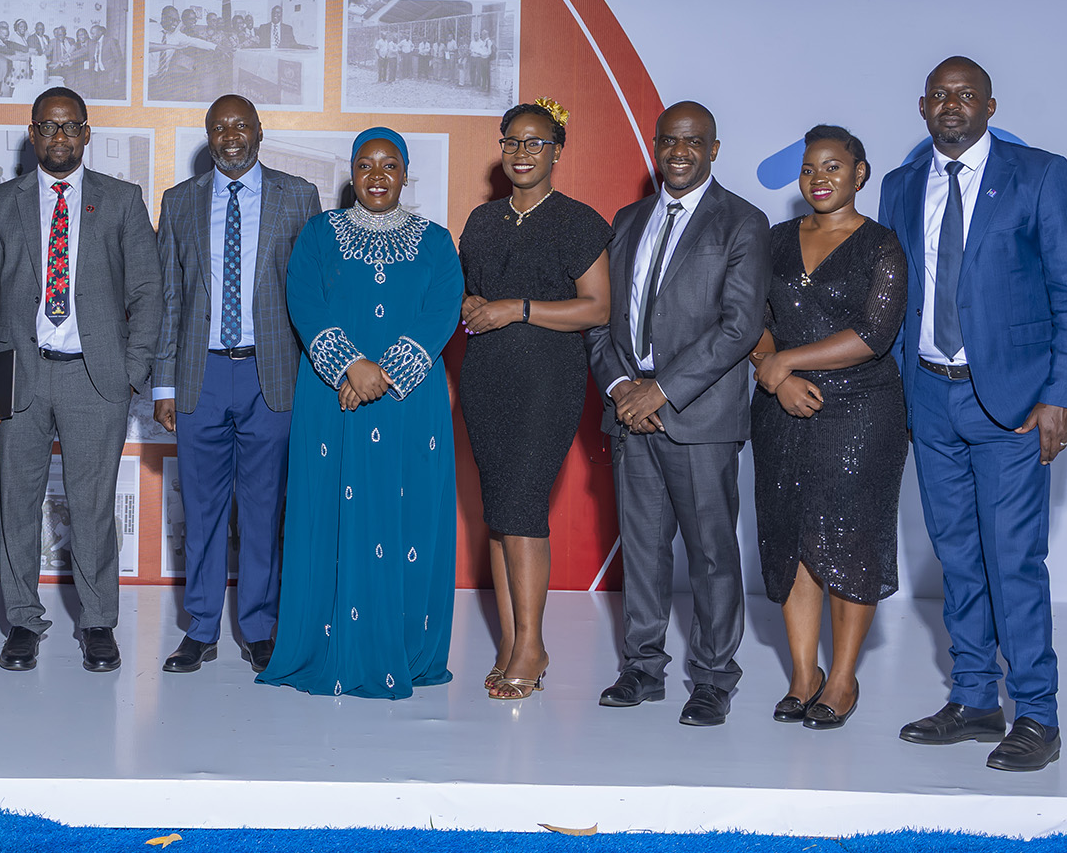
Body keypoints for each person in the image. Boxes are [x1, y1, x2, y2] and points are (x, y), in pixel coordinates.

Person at [877, 57, 1067, 772]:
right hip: (929, 397)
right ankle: (974, 698)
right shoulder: (900, 185)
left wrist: (1064, 394)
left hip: (1011, 403)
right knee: (957, 557)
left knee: (1013, 560)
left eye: (966, 94)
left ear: (990, 106)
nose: (952, 105)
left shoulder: (1039, 175)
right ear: (922, 106)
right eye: (939, 95)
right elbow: (897, 294)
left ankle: (1038, 713)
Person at [258, 128, 464, 699]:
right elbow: (304, 301)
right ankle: (322, 645)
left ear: (405, 174)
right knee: (329, 514)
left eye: (389, 165)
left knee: (408, 517)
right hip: (333, 400)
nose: (377, 176)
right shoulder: (319, 234)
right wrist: (350, 366)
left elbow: (441, 311)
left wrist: (383, 374)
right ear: (351, 174)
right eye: (366, 164)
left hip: (408, 404)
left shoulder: (436, 241)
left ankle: (404, 646)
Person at [585, 101, 771, 727]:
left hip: (698, 416)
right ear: (655, 146)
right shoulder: (627, 219)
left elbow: (740, 327)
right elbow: (602, 318)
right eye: (668, 140)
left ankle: (714, 678)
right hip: (629, 412)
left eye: (693, 141)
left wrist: (660, 391)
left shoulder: (742, 222)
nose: (679, 152)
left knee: (712, 553)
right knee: (642, 550)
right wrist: (621, 388)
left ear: (713, 149)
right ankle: (642, 667)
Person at [0, 87, 161, 674]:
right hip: (19, 378)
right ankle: (23, 621)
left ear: (86, 133)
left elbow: (148, 291)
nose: (59, 137)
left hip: (94, 380)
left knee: (93, 507)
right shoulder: (0, 203)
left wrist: (132, 371)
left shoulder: (121, 200)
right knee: (18, 504)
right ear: (32, 133)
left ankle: (98, 622)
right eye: (48, 127)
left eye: (70, 126)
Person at [744, 124, 908, 731]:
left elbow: (874, 335)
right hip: (781, 409)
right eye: (810, 168)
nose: (819, 178)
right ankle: (801, 675)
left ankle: (841, 678)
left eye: (833, 167)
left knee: (849, 539)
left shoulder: (881, 246)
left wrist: (787, 361)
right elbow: (753, 320)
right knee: (791, 535)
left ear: (859, 174)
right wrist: (776, 374)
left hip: (862, 410)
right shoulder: (774, 240)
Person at [152, 95, 323, 674]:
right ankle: (200, 629)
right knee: (201, 511)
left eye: (241, 126)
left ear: (259, 132)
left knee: (263, 510)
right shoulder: (179, 201)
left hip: (271, 374)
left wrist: (317, 377)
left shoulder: (298, 196)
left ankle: (259, 627)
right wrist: (163, 384)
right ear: (208, 136)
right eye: (220, 127)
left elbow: (312, 292)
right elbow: (168, 298)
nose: (231, 136)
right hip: (199, 374)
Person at [458, 100, 611, 700]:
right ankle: (511, 642)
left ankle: (533, 646)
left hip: (547, 379)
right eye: (512, 142)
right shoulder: (482, 220)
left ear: (557, 150)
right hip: (485, 378)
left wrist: (516, 308)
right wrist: (469, 304)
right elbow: (467, 294)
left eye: (535, 142)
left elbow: (597, 307)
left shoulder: (577, 221)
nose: (522, 153)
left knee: (521, 506)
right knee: (499, 513)